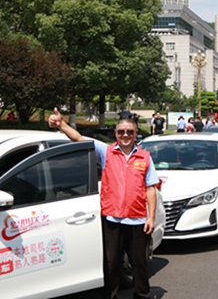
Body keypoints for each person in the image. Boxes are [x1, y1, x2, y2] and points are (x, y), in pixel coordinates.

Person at [48, 108, 158, 299]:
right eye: (121, 132)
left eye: (130, 132)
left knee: (139, 263)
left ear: (135, 134)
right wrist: (62, 125)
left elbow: (150, 189)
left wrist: (151, 217)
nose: (125, 135)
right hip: (112, 219)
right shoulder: (106, 152)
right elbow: (79, 139)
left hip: (137, 219)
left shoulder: (145, 157)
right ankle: (112, 296)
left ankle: (142, 295)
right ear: (115, 133)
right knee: (111, 263)